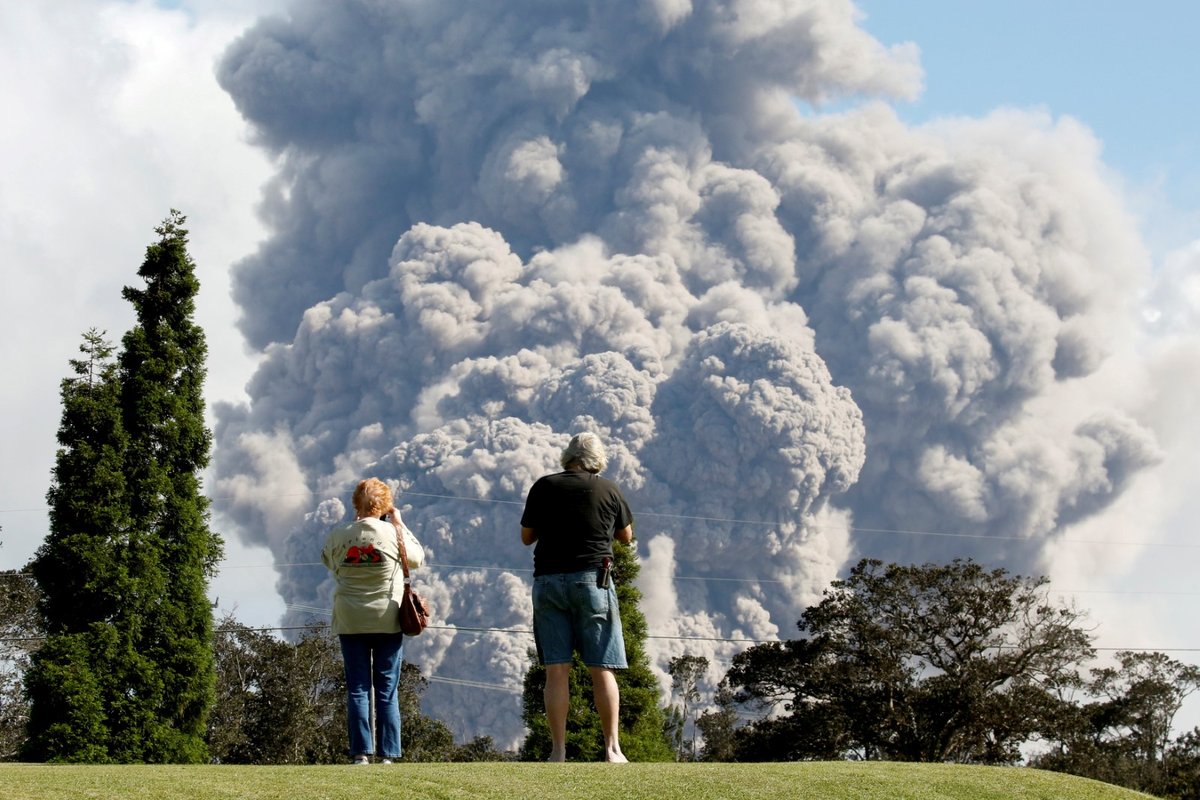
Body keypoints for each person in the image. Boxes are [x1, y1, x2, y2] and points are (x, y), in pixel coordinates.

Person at [520, 432, 634, 763]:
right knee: (602, 668)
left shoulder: (544, 486)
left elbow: (527, 537)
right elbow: (626, 535)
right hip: (592, 582)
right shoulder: (608, 488)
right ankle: (612, 749)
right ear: (597, 460)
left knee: (556, 670)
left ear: (567, 457)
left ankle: (558, 751)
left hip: (549, 582)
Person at [322, 477, 424, 765]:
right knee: (387, 689)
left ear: (355, 504)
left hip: (351, 619)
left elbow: (328, 562)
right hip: (387, 618)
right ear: (386, 505)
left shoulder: (339, 534)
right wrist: (399, 524)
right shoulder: (394, 534)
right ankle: (389, 755)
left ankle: (360, 755)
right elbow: (417, 559)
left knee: (357, 688)